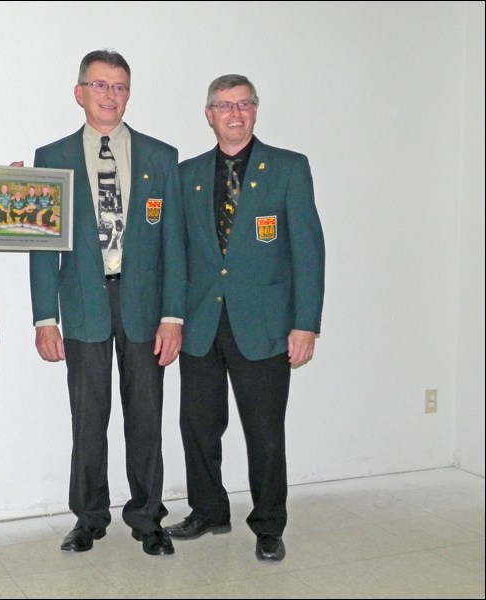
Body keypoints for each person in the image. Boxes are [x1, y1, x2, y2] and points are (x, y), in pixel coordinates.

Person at [29, 49, 186, 557]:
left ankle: (148, 518)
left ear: (128, 94)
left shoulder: (162, 158)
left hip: (143, 305)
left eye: (118, 87)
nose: (109, 96)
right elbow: (41, 244)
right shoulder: (51, 158)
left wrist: (173, 314)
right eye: (99, 86)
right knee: (87, 417)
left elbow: (174, 245)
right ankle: (88, 518)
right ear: (80, 93)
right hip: (81, 305)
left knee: (146, 416)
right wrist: (44, 316)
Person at [164, 74, 325, 562]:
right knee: (198, 424)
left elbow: (309, 252)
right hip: (201, 323)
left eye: (243, 104)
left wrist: (306, 322)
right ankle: (208, 510)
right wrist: (171, 316)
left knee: (264, 430)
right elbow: (176, 253)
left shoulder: (289, 168)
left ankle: (269, 524)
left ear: (255, 110)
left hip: (266, 325)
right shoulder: (186, 175)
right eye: (223, 105)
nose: (234, 114)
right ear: (208, 114)